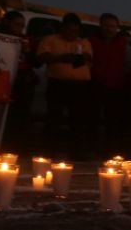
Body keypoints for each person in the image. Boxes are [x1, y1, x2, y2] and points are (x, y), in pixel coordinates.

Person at [37, 13, 93, 158]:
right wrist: (60, 58)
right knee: (54, 118)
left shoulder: (83, 42)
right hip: (57, 84)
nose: (72, 34)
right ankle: (49, 151)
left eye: (75, 31)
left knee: (78, 120)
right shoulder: (50, 40)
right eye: (69, 30)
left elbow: (88, 57)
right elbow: (42, 57)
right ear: (62, 28)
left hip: (79, 86)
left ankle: (78, 152)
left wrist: (75, 58)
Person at [89, 13, 131, 155]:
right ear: (101, 25)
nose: (110, 29)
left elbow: (129, 66)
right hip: (94, 86)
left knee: (112, 122)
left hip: (116, 87)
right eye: (107, 25)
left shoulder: (124, 44)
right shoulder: (91, 41)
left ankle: (109, 153)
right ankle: (91, 150)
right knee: (92, 121)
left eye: (113, 26)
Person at [0, 11, 37, 152]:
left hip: (21, 82)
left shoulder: (26, 40)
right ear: (7, 22)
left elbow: (36, 62)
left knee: (19, 116)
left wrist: (27, 51)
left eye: (22, 25)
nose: (20, 28)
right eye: (16, 24)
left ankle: (14, 148)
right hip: (0, 78)